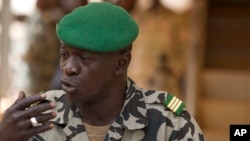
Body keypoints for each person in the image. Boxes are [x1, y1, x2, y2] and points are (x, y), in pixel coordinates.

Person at [0, 2, 205, 141]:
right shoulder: (40, 117)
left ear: (121, 63)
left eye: (85, 58)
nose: (69, 67)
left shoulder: (168, 121)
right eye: (65, 55)